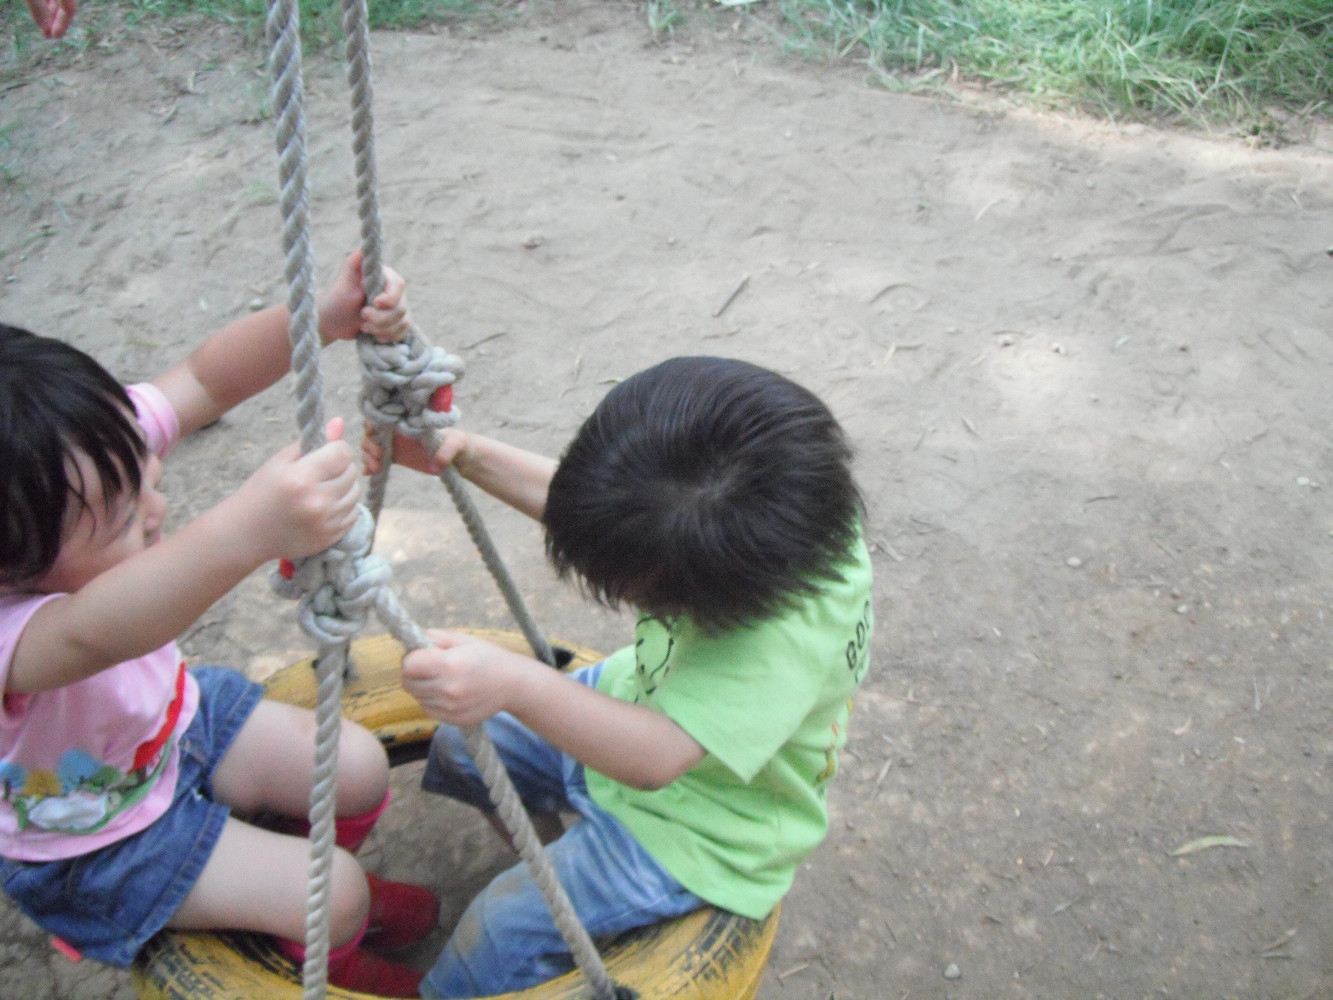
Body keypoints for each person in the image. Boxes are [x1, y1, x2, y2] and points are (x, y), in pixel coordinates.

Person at [365, 354, 875, 998]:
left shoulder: (773, 649)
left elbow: (654, 761)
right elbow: (608, 514)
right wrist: (467, 455)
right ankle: (551, 862)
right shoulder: (788, 517)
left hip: (705, 827)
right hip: (644, 696)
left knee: (498, 929)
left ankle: (521, 944)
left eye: (634, 588)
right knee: (464, 748)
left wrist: (516, 683)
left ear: (700, 592)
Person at [0, 253, 440, 998]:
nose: (157, 509)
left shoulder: (79, 450)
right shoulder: (19, 633)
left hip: (173, 724)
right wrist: (252, 527)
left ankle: (284, 904)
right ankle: (319, 942)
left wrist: (320, 319)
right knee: (332, 893)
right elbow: (93, 632)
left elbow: (204, 381)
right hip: (96, 840)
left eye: (148, 476)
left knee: (358, 768)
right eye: (123, 520)